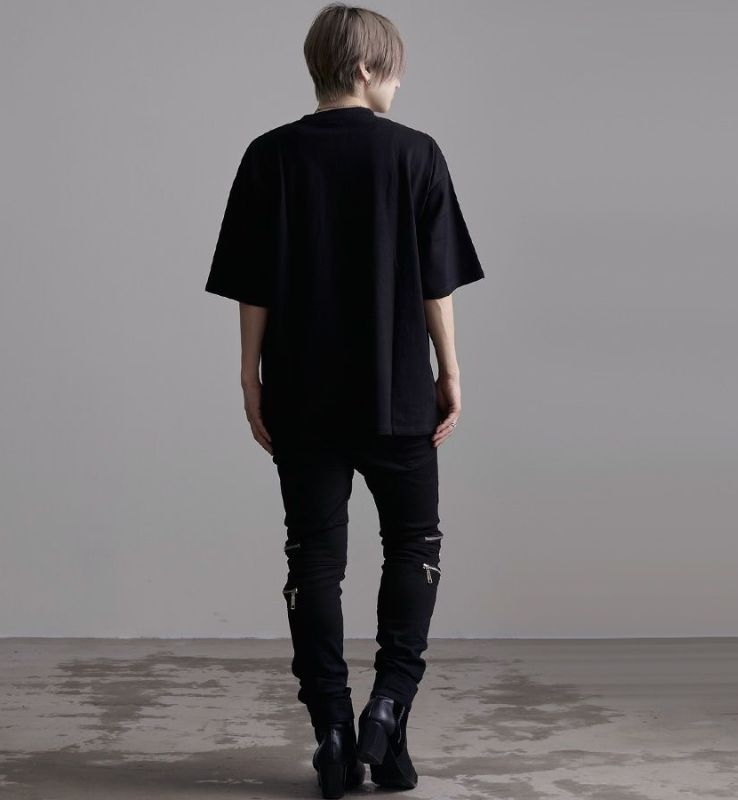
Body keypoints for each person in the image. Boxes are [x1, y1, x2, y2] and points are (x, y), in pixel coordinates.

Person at [204, 3, 484, 796]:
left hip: (302, 396)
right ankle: (388, 710)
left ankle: (332, 731)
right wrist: (450, 369)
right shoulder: (417, 154)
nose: (399, 82)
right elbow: (435, 285)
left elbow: (253, 286)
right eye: (393, 68)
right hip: (397, 396)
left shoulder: (269, 156)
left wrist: (249, 377)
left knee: (313, 559)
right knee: (415, 547)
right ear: (364, 68)